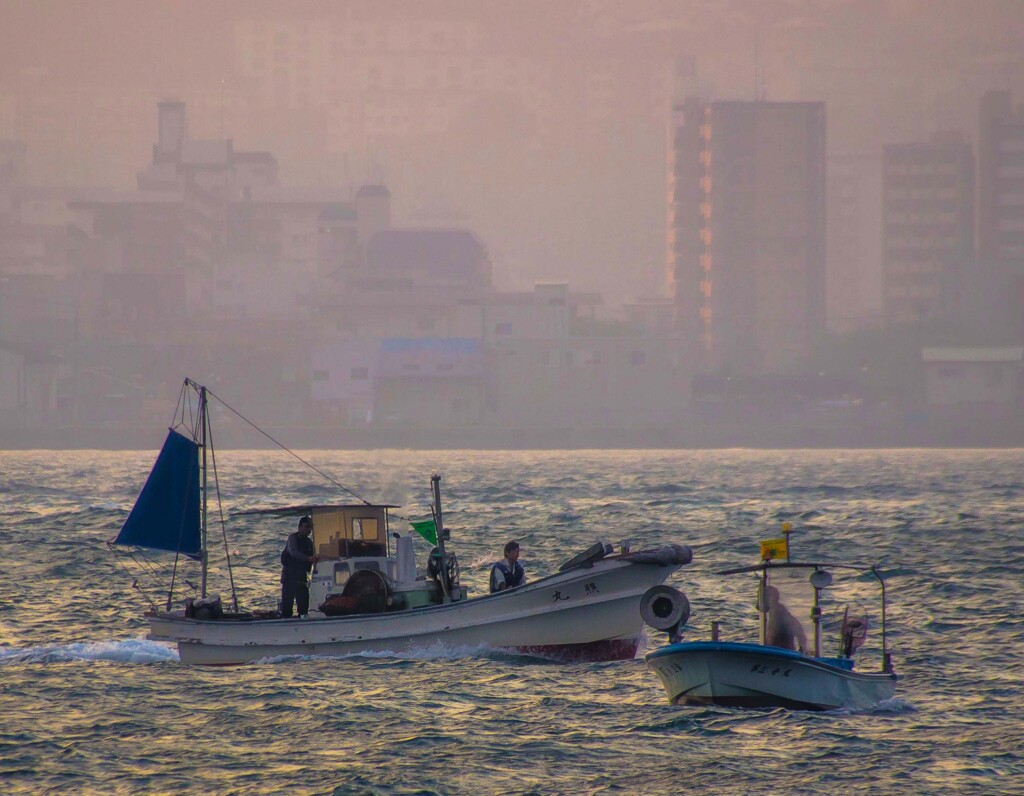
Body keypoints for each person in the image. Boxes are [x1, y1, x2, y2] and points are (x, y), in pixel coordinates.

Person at [280, 515, 318, 618]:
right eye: (306, 527)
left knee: (303, 607)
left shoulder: (309, 543)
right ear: (300, 527)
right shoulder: (293, 538)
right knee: (287, 608)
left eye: (310, 527)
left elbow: (315, 554)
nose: (308, 530)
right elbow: (293, 552)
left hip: (301, 578)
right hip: (289, 578)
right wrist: (308, 559)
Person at [763, 585, 809, 653]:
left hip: (783, 653)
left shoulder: (783, 614)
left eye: (768, 596)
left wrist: (802, 650)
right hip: (774, 652)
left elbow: (801, 635)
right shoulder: (772, 613)